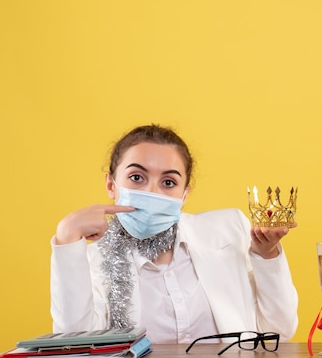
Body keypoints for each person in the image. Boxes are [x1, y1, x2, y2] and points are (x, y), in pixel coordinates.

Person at [50, 124, 299, 344]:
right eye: (136, 177)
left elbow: (279, 331)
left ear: (184, 195)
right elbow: (75, 345)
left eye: (168, 182)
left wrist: (267, 255)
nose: (153, 192)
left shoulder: (229, 230)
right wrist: (66, 238)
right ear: (110, 185)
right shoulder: (93, 262)